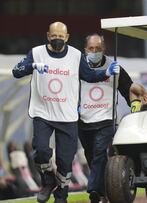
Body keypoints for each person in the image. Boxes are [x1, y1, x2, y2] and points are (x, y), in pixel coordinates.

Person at [12, 22, 119, 203]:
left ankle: (61, 195)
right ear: (48, 35)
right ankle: (48, 181)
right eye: (54, 36)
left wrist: (105, 73)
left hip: (67, 116)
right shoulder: (36, 53)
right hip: (43, 112)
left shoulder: (76, 56)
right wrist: (32, 66)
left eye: (61, 37)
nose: (57, 40)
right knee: (40, 151)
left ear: (67, 37)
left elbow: (89, 76)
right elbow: (16, 72)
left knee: (65, 160)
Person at [78, 33, 134, 203]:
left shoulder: (114, 67)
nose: (95, 51)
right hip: (83, 120)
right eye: (91, 49)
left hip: (106, 120)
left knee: (100, 153)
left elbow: (129, 90)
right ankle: (104, 193)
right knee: (91, 156)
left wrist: (136, 106)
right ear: (85, 50)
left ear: (104, 49)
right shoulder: (77, 66)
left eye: (98, 48)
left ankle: (94, 191)